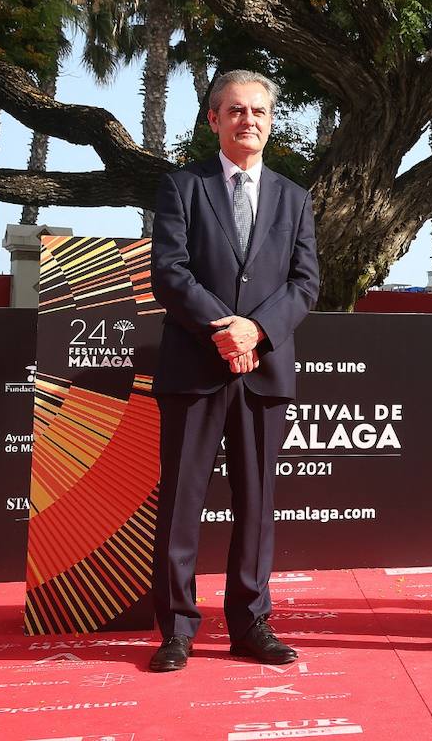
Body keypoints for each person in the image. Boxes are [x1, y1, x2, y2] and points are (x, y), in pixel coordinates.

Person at [147, 70, 319, 671]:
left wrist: (258, 331)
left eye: (260, 112)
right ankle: (176, 627)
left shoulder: (294, 198)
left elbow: (305, 284)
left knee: (257, 502)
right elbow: (170, 273)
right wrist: (226, 330)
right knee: (181, 502)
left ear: (271, 122)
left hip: (264, 370)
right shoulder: (181, 188)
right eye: (236, 111)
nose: (250, 121)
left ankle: (250, 623)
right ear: (214, 119)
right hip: (195, 368)